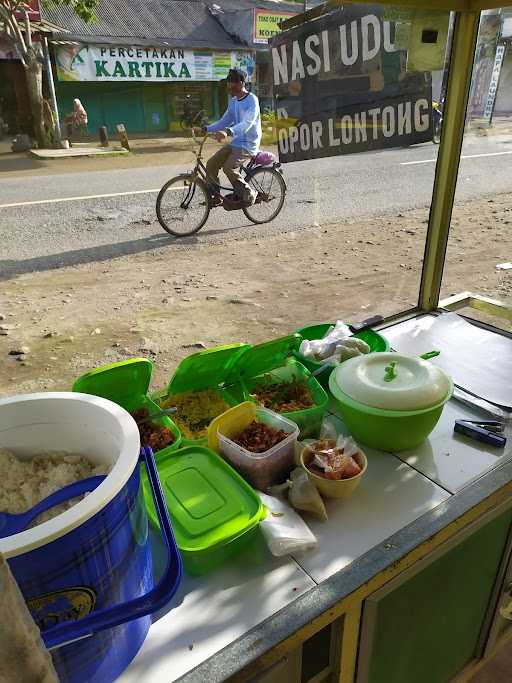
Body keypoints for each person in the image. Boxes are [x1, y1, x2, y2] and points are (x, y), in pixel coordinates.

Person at [205, 68, 262, 207]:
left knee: (228, 168)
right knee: (211, 164)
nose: (230, 85)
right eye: (229, 82)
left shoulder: (252, 100)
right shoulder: (234, 101)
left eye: (233, 82)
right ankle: (215, 196)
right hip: (236, 142)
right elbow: (224, 121)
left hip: (248, 144)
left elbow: (247, 123)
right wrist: (206, 128)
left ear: (242, 83)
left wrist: (228, 132)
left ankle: (249, 194)